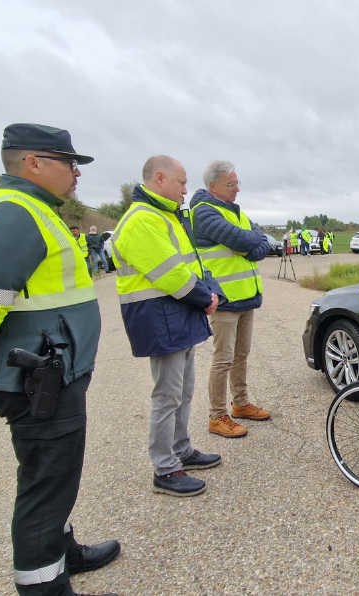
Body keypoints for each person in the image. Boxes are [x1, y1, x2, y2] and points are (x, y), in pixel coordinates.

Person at [0, 123, 120, 596]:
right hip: (39, 377)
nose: (76, 173)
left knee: (57, 474)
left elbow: (10, 298)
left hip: (51, 368)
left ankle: (63, 552)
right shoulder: (16, 213)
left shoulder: (36, 209)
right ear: (32, 162)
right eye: (68, 162)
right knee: (46, 484)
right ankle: (44, 588)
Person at [111, 155, 223, 497]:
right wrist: (204, 298)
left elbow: (191, 262)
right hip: (159, 316)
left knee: (183, 391)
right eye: (181, 183)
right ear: (159, 178)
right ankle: (165, 468)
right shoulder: (142, 220)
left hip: (175, 313)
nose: (186, 190)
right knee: (167, 395)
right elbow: (170, 273)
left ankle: (181, 448)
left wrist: (210, 289)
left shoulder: (165, 216)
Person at [190, 160, 271, 439]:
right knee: (223, 359)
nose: (237, 188)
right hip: (224, 299)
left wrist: (251, 242)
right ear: (212, 186)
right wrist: (250, 242)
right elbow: (246, 242)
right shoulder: (204, 212)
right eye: (231, 184)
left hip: (246, 297)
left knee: (241, 355)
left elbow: (262, 244)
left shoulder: (235, 212)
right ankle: (217, 416)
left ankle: (241, 404)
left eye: (237, 183)